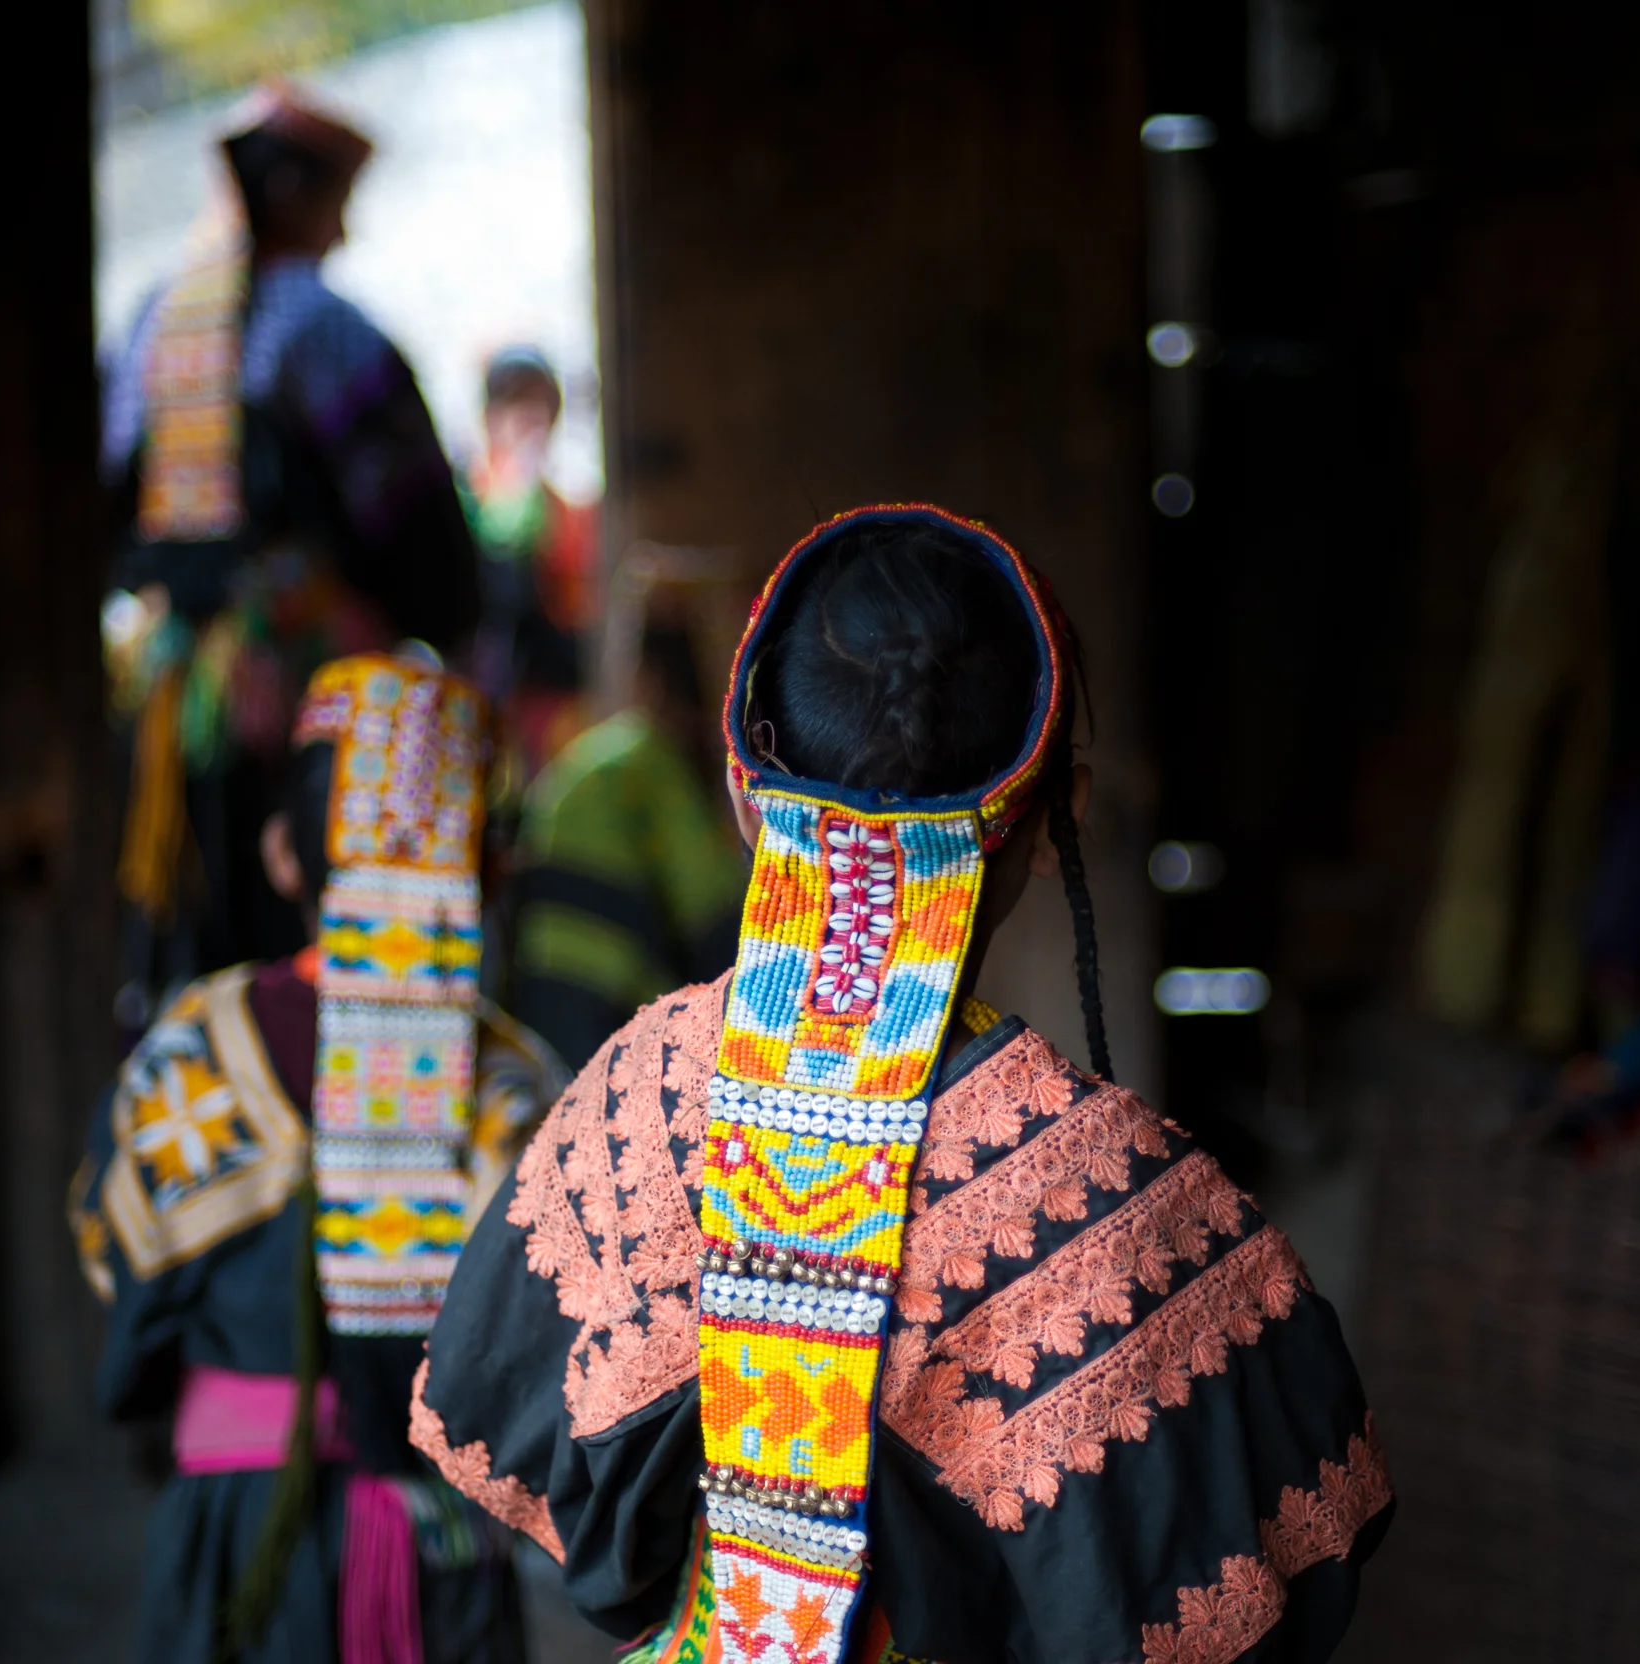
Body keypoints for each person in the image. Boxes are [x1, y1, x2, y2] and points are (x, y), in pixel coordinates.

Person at [409, 507, 1391, 1663]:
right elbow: (1292, 1564)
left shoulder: (638, 1095)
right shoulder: (1133, 1202)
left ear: (746, 795)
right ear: (1052, 813)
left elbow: (507, 1441)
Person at [71, 651, 557, 1664]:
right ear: (486, 870)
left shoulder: (188, 1056)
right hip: (442, 1551)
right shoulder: (512, 1084)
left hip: (236, 1533)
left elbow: (118, 1268)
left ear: (284, 855)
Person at [101, 81, 481, 1023]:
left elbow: (107, 503)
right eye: (337, 205)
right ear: (299, 197)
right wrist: (452, 620)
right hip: (307, 700)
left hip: (171, 700)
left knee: (190, 952)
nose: (343, 233)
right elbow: (413, 520)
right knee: (309, 944)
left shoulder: (154, 322)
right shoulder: (323, 330)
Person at [508, 573, 748, 1071]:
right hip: (611, 998)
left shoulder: (592, 755)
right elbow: (713, 911)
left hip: (539, 985)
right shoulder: (652, 763)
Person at [460, 346, 599, 780]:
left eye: (540, 404)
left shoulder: (574, 517)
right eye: (514, 401)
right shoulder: (463, 505)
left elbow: (582, 615)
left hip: (547, 710)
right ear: (488, 417)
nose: (528, 417)